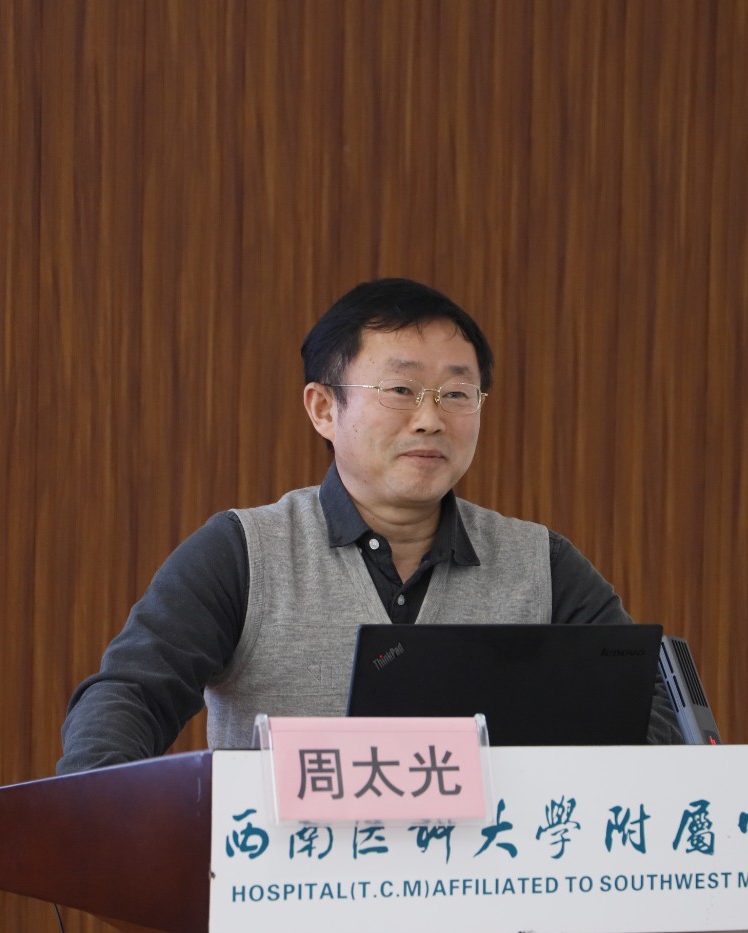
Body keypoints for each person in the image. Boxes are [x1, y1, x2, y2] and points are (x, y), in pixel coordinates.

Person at [58, 278, 680, 774]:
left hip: (482, 893)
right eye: (401, 389)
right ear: (324, 408)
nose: (430, 419)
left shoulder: (541, 562)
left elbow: (653, 703)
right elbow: (128, 698)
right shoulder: (242, 552)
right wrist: (116, 828)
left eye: (457, 394)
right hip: (286, 893)